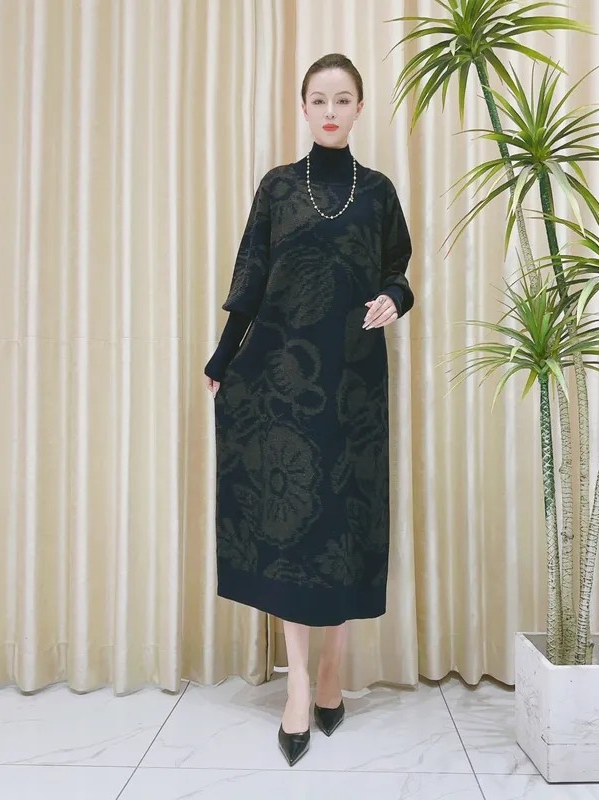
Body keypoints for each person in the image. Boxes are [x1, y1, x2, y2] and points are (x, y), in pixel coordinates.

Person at [204, 53, 414, 767]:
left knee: (346, 523)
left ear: (359, 108)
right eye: (319, 99)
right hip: (282, 383)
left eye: (342, 99)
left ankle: (333, 671)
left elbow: (397, 269)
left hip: (354, 385)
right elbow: (251, 277)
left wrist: (396, 298)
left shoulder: (378, 192)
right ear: (303, 108)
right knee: (291, 525)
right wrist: (223, 357)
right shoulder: (277, 187)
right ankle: (299, 684)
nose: (330, 110)